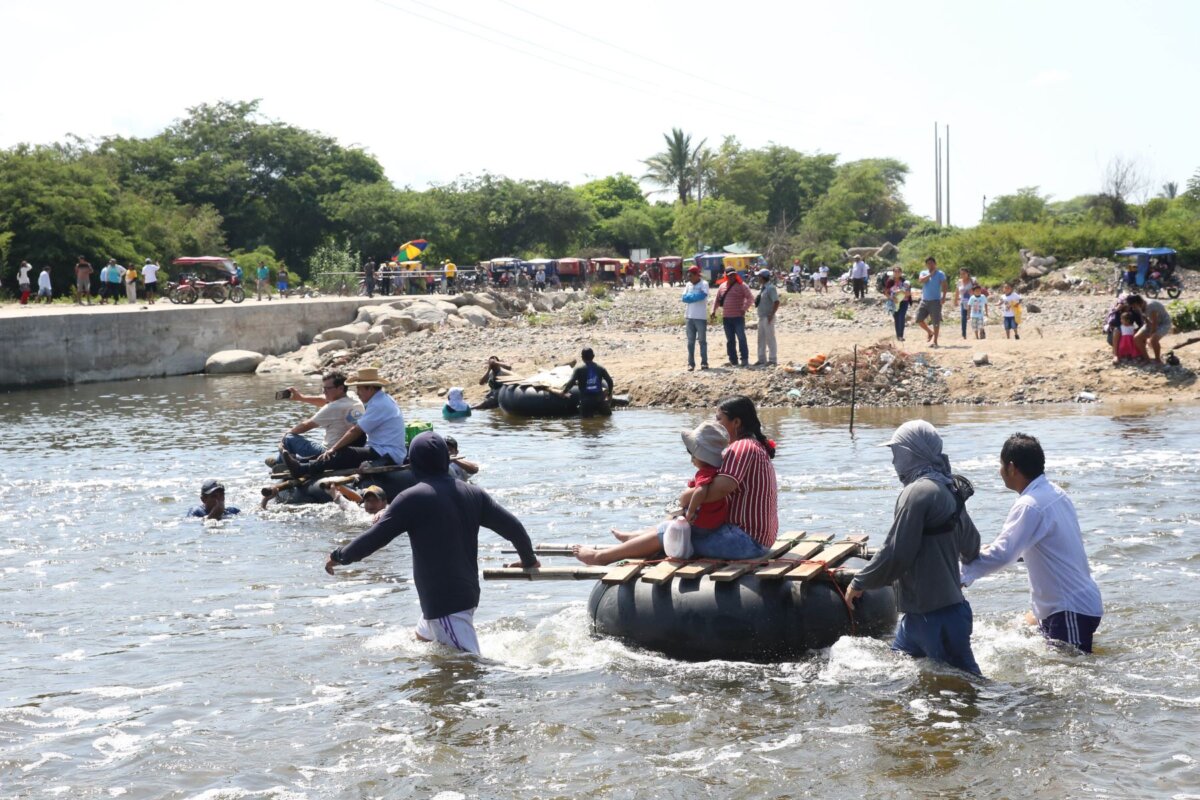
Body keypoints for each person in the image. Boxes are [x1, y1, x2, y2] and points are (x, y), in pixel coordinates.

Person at [324, 432, 540, 655]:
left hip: (445, 604)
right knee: (421, 642)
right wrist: (529, 560)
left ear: (413, 463)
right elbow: (514, 528)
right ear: (446, 460)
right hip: (464, 593)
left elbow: (374, 538)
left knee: (470, 665)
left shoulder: (412, 498)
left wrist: (339, 556)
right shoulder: (473, 493)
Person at [844, 420, 982, 676]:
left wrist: (859, 582)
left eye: (896, 453)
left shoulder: (917, 493)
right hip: (928, 617)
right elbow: (972, 546)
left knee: (969, 688)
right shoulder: (949, 488)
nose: (893, 462)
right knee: (895, 676)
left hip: (935, 619)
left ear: (911, 452)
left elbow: (896, 554)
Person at [575, 395, 778, 565]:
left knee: (671, 531)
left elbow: (721, 489)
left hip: (746, 541)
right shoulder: (753, 446)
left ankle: (601, 557)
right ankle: (636, 538)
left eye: (719, 419)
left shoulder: (742, 447)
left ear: (736, 423)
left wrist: (685, 497)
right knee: (675, 524)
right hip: (754, 538)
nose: (716, 423)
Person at [961, 433, 1103, 653]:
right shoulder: (1056, 493)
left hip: (1069, 609)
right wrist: (986, 551)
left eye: (1001, 465)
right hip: (1071, 604)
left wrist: (959, 575)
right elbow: (1041, 544)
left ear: (1011, 467)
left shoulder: (1029, 505)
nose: (999, 471)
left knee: (1073, 670)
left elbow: (1003, 555)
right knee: (1021, 633)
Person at [282, 368, 406, 476]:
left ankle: (303, 469)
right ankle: (303, 462)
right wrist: (302, 398)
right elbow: (325, 400)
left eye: (360, 389)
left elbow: (356, 430)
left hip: (387, 453)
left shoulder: (378, 405)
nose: (357, 392)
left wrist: (333, 449)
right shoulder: (380, 398)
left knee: (346, 452)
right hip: (381, 448)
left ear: (371, 388)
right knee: (349, 448)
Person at [273, 371, 364, 463]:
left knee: (288, 438)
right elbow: (324, 400)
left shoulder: (334, 407)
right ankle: (284, 461)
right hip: (350, 449)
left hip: (329, 452)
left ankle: (280, 463)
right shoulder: (352, 396)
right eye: (323, 388)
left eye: (328, 388)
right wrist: (301, 397)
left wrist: (285, 434)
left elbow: (306, 425)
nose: (324, 391)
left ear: (340, 388)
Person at [679, 420, 729, 529]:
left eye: (693, 456)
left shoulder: (705, 472)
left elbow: (701, 491)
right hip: (716, 519)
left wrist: (691, 511)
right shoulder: (718, 469)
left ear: (703, 457)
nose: (691, 460)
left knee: (672, 524)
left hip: (703, 521)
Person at [711, 268, 753, 368]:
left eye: (733, 275)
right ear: (725, 276)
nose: (732, 277)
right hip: (726, 318)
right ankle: (733, 360)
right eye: (729, 275)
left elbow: (750, 298)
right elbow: (717, 300)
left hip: (738, 317)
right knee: (730, 340)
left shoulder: (742, 285)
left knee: (741, 338)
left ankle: (744, 359)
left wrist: (744, 308)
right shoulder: (722, 286)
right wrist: (713, 311)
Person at [560, 347, 613, 418]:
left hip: (586, 401)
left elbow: (571, 382)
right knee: (607, 417)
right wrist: (609, 393)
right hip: (599, 400)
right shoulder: (600, 368)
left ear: (582, 357)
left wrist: (564, 391)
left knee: (586, 421)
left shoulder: (578, 369)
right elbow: (610, 381)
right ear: (593, 356)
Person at [681, 265, 710, 371]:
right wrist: (694, 297)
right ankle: (691, 364)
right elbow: (684, 298)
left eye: (691, 275)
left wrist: (691, 297)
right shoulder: (688, 284)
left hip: (700, 317)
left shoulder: (704, 284)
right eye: (688, 275)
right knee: (690, 342)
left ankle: (704, 363)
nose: (689, 277)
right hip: (689, 316)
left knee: (702, 341)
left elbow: (702, 296)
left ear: (696, 275)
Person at [915, 257, 949, 347]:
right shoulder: (923, 272)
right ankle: (929, 332)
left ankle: (935, 341)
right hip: (924, 300)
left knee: (936, 321)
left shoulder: (940, 273)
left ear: (935, 263)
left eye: (932, 263)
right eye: (928, 263)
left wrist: (944, 297)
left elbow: (944, 285)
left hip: (935, 301)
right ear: (926, 264)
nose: (930, 265)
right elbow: (921, 281)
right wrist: (930, 274)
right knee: (918, 319)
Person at [1128, 294, 1172, 363]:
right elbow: (1146, 319)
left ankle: (1158, 359)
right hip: (1150, 323)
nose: (1133, 308)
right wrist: (1146, 329)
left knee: (1153, 340)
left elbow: (1155, 322)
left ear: (1136, 303)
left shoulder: (1151, 306)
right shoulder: (1140, 306)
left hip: (1163, 324)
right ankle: (1147, 359)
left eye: (1133, 306)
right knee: (1136, 338)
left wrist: (1151, 336)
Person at [753, 268, 779, 366]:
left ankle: (772, 360)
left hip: (768, 317)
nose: (758, 278)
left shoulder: (770, 288)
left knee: (770, 339)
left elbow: (776, 302)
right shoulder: (763, 288)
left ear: (763, 277)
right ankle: (761, 359)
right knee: (761, 339)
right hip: (761, 316)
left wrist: (771, 314)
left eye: (759, 276)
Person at [884, 267, 911, 341]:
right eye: (895, 272)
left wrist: (901, 292)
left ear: (901, 273)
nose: (897, 273)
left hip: (904, 301)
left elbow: (909, 293)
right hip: (894, 302)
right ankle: (898, 335)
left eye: (898, 272)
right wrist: (892, 298)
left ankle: (901, 336)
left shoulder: (905, 282)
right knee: (896, 318)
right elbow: (886, 293)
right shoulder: (890, 281)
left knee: (901, 317)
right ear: (893, 273)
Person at [956, 269, 974, 340]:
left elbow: (979, 289)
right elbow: (957, 291)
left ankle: (981, 331)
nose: (962, 275)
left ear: (967, 273)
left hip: (973, 302)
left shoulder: (972, 281)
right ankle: (964, 334)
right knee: (963, 318)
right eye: (961, 274)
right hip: (963, 302)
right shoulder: (959, 282)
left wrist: (972, 291)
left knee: (975, 316)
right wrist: (955, 300)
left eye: (964, 273)